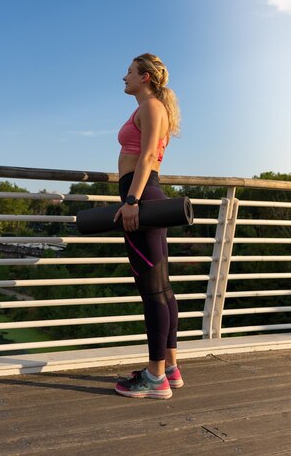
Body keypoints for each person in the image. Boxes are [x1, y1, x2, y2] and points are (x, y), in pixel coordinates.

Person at [113, 53, 183, 399]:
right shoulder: (151, 107)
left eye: (129, 72)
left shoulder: (152, 107)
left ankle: (155, 378)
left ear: (145, 77)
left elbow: (146, 157)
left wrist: (131, 202)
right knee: (162, 287)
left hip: (140, 195)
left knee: (152, 290)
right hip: (146, 194)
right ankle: (170, 366)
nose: (123, 77)